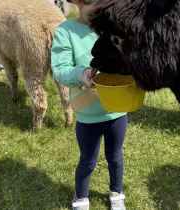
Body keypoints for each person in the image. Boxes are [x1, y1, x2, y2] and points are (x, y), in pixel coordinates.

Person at [51, 0, 127, 209]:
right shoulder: (66, 31)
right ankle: (81, 197)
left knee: (115, 157)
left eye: (99, 2)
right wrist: (81, 73)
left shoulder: (115, 26)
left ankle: (117, 194)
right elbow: (60, 69)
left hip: (117, 111)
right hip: (87, 114)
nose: (94, 8)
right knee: (88, 160)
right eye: (87, 2)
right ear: (76, 3)